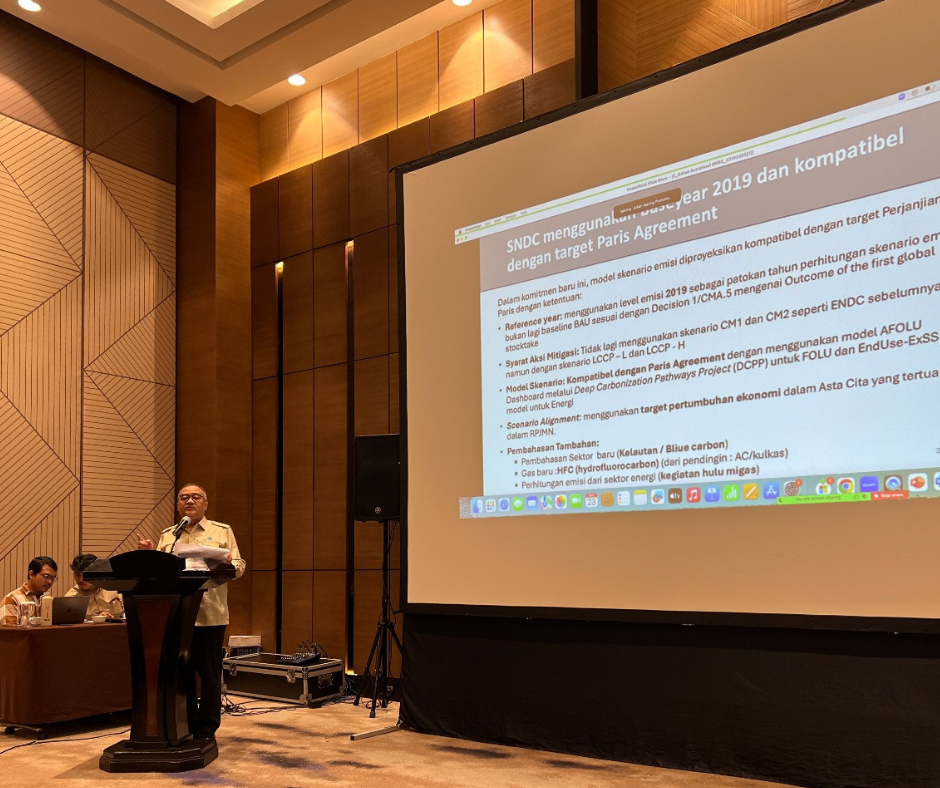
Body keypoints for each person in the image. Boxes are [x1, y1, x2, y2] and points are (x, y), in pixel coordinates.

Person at [137, 484, 245, 741]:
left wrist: (227, 564)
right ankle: (183, 724)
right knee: (180, 674)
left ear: (205, 504)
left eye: (196, 497)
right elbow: (161, 573)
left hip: (210, 614)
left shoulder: (222, 531)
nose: (190, 501)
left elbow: (240, 566)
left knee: (209, 676)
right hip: (177, 615)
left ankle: (207, 730)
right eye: (184, 497)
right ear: (178, 505)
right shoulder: (169, 535)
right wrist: (150, 555)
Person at [1, 556, 58, 626]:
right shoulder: (12, 599)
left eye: (53, 578)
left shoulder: (51, 601)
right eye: (46, 576)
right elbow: (10, 631)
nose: (49, 581)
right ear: (31, 574)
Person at [65, 554, 124, 619]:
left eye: (86, 575)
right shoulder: (70, 598)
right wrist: (98, 619)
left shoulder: (113, 589)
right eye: (77, 575)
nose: (81, 579)